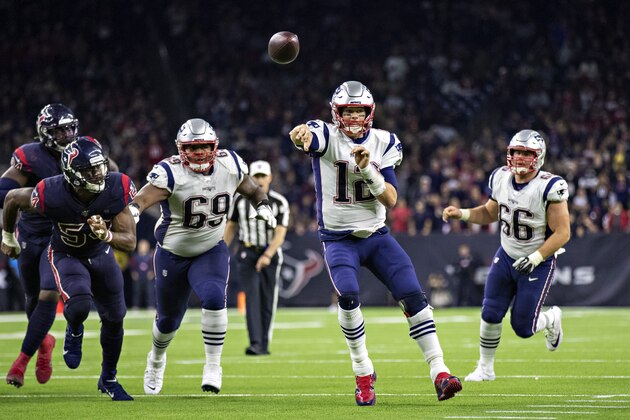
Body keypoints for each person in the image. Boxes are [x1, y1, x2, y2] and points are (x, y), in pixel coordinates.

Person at [288, 81, 462, 406]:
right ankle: (363, 370)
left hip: (377, 237)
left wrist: (368, 169)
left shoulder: (384, 141)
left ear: (369, 113)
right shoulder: (326, 136)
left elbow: (392, 199)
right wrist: (301, 135)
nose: (353, 117)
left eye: (358, 111)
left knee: (413, 295)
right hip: (339, 240)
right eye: (347, 111)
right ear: (336, 114)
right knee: (349, 298)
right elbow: (308, 136)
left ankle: (439, 372)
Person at [128, 118, 276, 395]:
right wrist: (134, 212)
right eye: (193, 148)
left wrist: (263, 205)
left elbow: (252, 189)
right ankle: (157, 359)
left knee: (213, 297)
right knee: (168, 320)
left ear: (214, 146)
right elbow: (144, 198)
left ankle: (212, 365)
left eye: (205, 146)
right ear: (181, 149)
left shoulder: (229, 164)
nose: (199, 153)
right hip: (173, 254)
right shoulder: (170, 172)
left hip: (210, 248)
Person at [1, 136, 137, 400]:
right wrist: (8, 236)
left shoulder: (115, 186)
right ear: (73, 174)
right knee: (78, 306)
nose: (99, 173)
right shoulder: (50, 192)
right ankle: (74, 329)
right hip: (65, 254)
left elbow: (130, 242)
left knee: (116, 316)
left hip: (101, 253)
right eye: (91, 170)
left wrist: (106, 235)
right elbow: (12, 198)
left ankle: (108, 378)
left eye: (100, 166)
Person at [442, 129, 571, 382]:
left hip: (537, 262)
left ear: (539, 156)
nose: (520, 158)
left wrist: (535, 258)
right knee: (490, 312)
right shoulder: (500, 177)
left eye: (526, 153)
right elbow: (491, 212)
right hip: (507, 255)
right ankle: (485, 369)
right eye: (516, 152)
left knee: (523, 328)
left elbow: (563, 233)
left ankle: (552, 318)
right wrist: (463, 214)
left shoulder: (550, 186)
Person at [1, 103, 79, 388]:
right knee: (32, 300)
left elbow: (111, 172)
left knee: (48, 294)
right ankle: (44, 342)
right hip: (30, 235)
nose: (68, 134)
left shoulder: (83, 149)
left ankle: (20, 362)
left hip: (60, 235)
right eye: (61, 130)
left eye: (71, 127)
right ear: (46, 133)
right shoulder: (31, 157)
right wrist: (37, 196)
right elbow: (3, 193)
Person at [224, 160, 290, 356]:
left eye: (263, 176)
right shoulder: (240, 201)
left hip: (270, 252)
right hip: (247, 251)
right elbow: (231, 226)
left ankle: (263, 343)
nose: (260, 180)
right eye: (256, 176)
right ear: (250, 178)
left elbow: (280, 233)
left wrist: (268, 255)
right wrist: (220, 250)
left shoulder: (279, 202)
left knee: (268, 300)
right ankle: (255, 344)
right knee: (252, 297)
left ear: (270, 178)